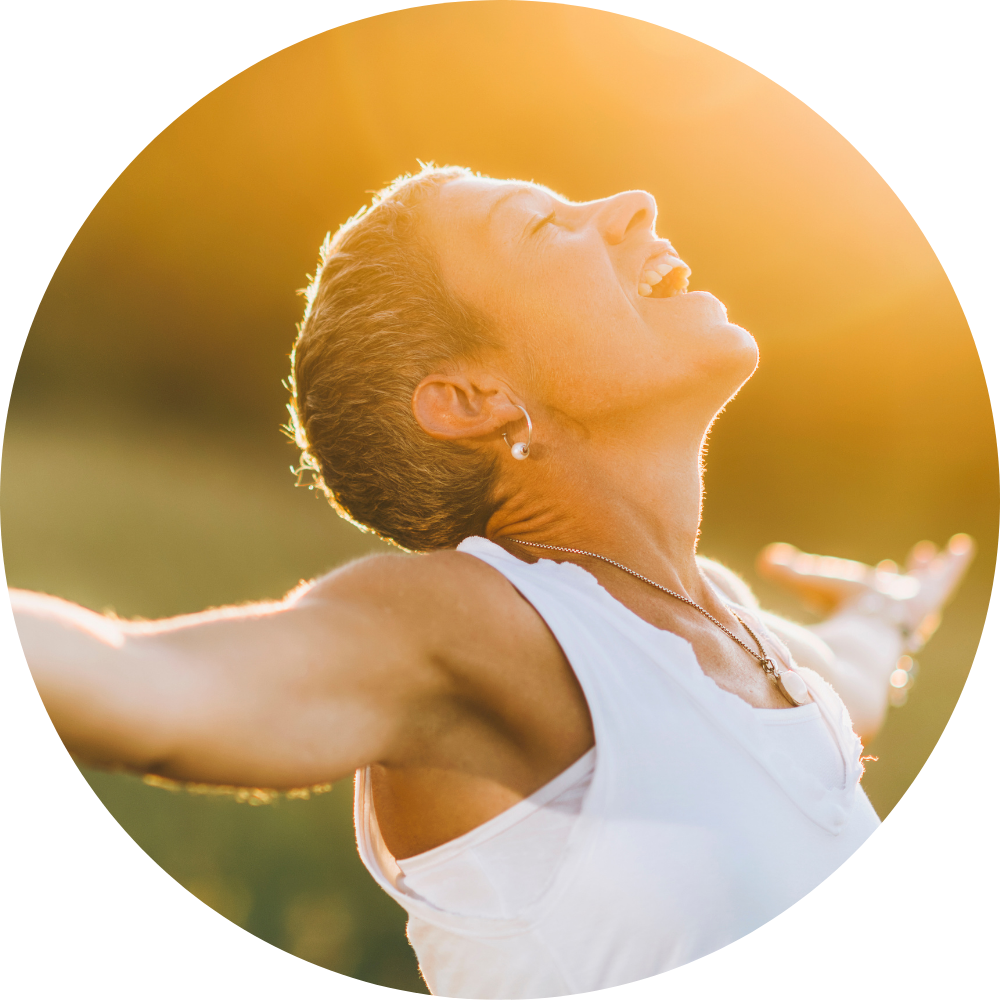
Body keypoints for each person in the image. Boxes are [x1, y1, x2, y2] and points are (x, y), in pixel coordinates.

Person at [10, 164, 975, 1000]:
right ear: (475, 400)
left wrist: (888, 613)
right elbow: (143, 687)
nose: (632, 203)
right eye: (545, 225)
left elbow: (843, 689)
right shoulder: (477, 624)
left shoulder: (727, 621)